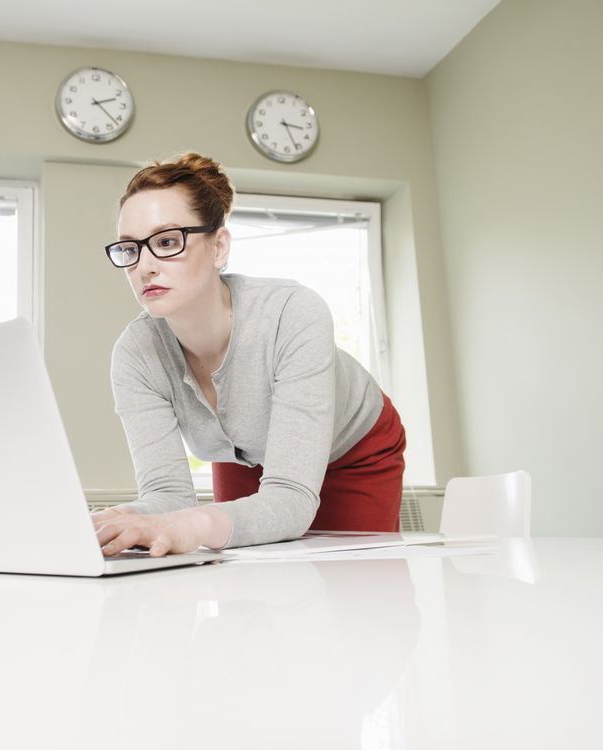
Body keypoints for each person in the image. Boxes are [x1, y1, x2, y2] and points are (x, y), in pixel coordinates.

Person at [93, 153, 406, 557]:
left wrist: (197, 523)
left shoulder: (293, 312)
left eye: (167, 241)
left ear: (219, 246)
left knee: (362, 590)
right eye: (129, 249)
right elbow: (168, 497)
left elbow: (291, 499)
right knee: (244, 594)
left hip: (353, 450)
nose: (145, 266)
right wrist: (115, 520)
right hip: (241, 455)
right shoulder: (135, 354)